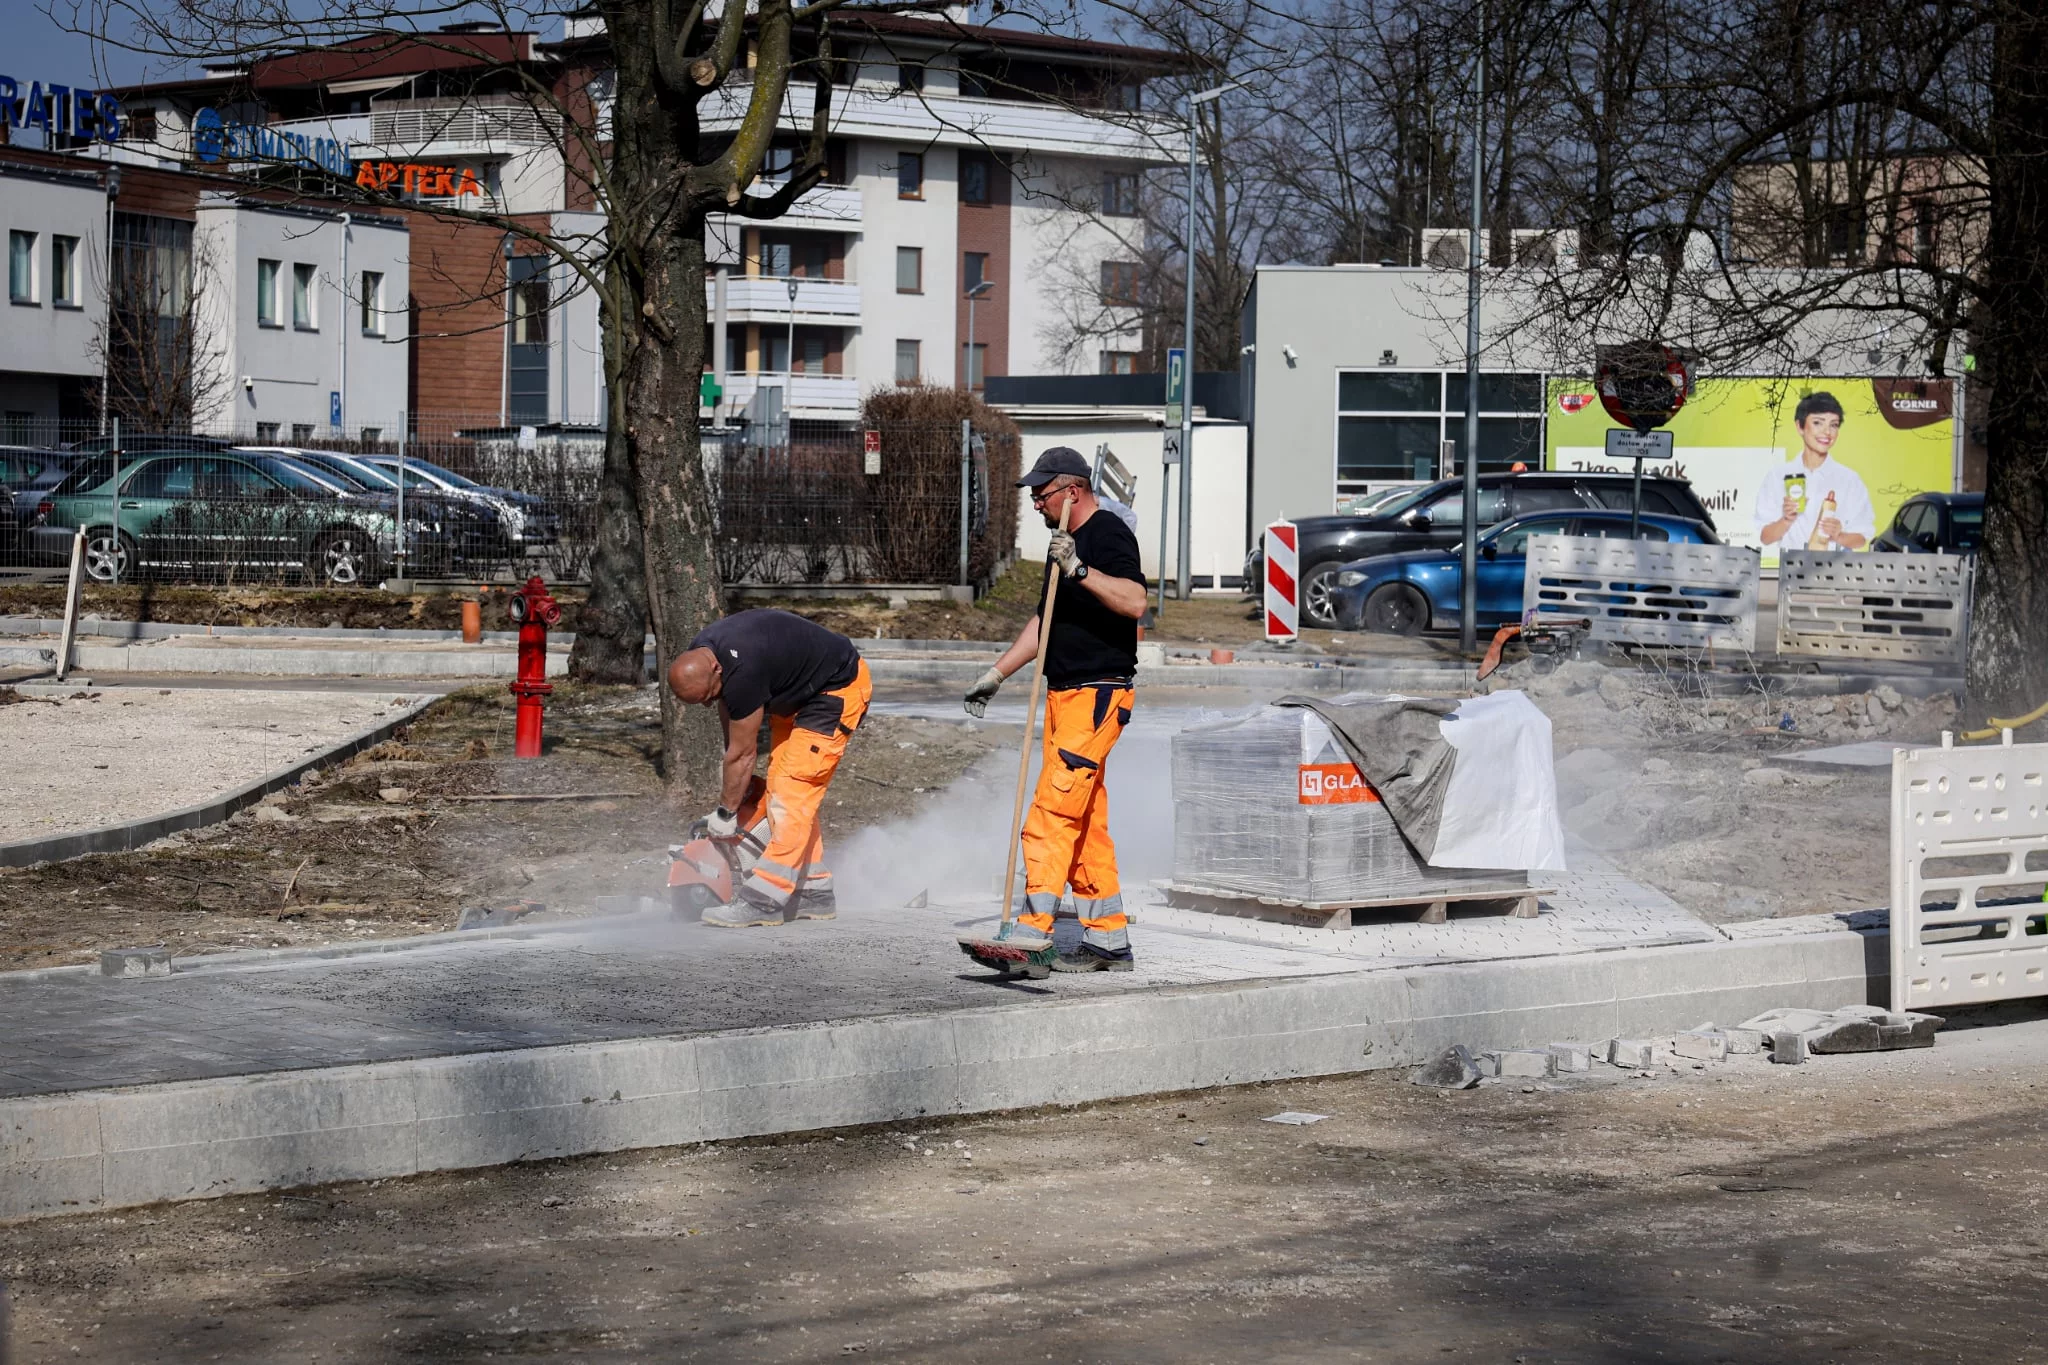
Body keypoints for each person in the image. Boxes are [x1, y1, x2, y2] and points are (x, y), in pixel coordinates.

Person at [963, 447, 1149, 971]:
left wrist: (1080, 567)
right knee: (1084, 819)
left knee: (1050, 813)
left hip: (1097, 694)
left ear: (1072, 491)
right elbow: (1044, 623)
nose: (1037, 506)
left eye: (1042, 496)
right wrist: (996, 675)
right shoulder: (1060, 546)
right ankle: (1108, 941)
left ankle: (1030, 934)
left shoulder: (1106, 534)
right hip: (1066, 694)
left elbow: (1135, 602)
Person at [666, 609, 871, 928]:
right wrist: (737, 786)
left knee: (791, 791)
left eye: (708, 696)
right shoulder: (705, 651)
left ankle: (765, 899)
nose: (707, 704)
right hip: (800, 691)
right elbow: (731, 717)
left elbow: (744, 753)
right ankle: (812, 890)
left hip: (835, 690)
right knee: (783, 787)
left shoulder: (743, 669)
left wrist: (725, 814)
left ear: (716, 669)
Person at [1754, 390, 1875, 551]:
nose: (1827, 432)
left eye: (1834, 425)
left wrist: (1839, 536)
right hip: (1791, 570)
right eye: (1818, 423)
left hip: (1835, 571)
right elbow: (1765, 537)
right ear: (1800, 426)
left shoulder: (1849, 480)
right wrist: (1786, 520)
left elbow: (1862, 538)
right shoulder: (1777, 476)